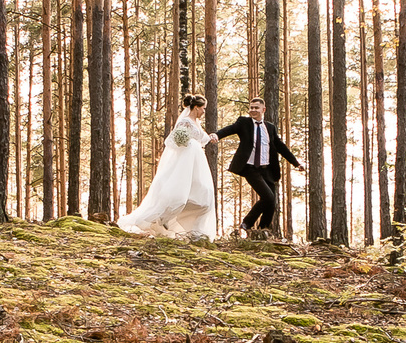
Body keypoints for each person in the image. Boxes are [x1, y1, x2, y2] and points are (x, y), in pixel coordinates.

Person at [118, 95, 219, 239]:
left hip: (198, 163)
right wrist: (187, 143)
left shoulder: (196, 122)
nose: (204, 111)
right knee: (180, 196)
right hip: (186, 162)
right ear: (196, 108)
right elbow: (172, 141)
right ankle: (163, 219)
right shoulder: (185, 122)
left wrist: (212, 136)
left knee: (204, 195)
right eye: (203, 108)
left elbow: (202, 139)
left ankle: (195, 230)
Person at [213, 97, 300, 239]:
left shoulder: (270, 127)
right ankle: (246, 223)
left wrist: (295, 163)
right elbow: (230, 129)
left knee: (271, 202)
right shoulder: (244, 123)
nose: (253, 110)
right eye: (251, 107)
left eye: (256, 108)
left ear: (263, 110)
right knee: (268, 197)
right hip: (250, 168)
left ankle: (262, 231)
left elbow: (280, 146)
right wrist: (217, 135)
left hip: (267, 169)